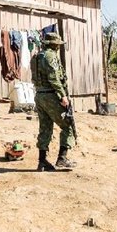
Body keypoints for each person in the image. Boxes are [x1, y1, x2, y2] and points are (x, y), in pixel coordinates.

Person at [30, 32, 76, 171]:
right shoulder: (50, 56)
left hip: (39, 95)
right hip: (51, 95)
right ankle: (62, 158)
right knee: (67, 125)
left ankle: (42, 161)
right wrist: (62, 95)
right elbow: (54, 78)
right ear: (54, 45)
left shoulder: (36, 57)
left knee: (45, 127)